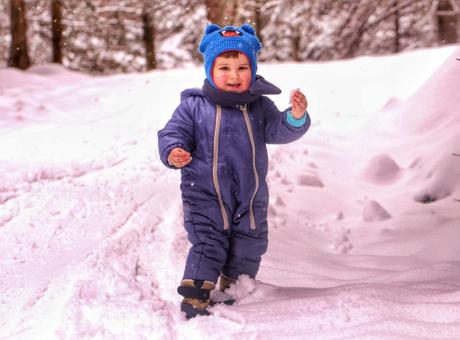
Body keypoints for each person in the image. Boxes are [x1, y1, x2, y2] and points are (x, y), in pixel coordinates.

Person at [158, 23, 311, 319]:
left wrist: (295, 117)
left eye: (242, 68)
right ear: (209, 71)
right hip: (204, 192)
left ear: (252, 70)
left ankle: (236, 287)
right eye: (224, 67)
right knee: (208, 240)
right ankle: (196, 292)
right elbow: (172, 131)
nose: (233, 75)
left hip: (249, 194)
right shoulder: (194, 107)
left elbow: (279, 130)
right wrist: (173, 150)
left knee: (250, 240)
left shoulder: (259, 107)